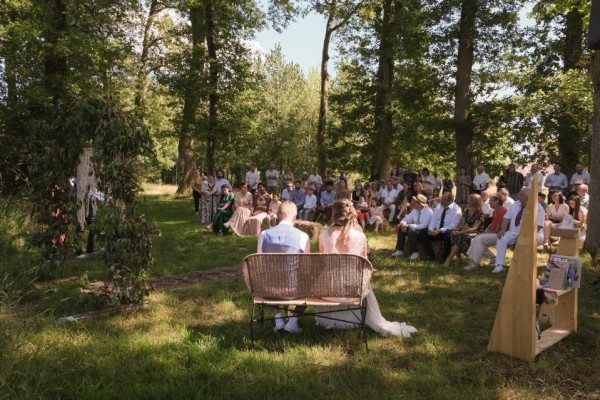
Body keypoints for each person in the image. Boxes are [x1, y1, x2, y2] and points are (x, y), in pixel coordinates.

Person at [314, 199, 417, 337]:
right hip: (353, 290)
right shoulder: (360, 236)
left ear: (334, 214)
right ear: (352, 214)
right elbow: (364, 265)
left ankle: (332, 319)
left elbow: (322, 261)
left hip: (328, 291)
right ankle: (357, 317)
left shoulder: (323, 234)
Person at [256, 201, 310, 333]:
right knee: (309, 283)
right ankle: (292, 321)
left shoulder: (264, 234)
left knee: (266, 278)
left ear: (278, 215)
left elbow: (258, 263)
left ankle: (278, 318)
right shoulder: (303, 236)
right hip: (294, 290)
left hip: (268, 290)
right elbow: (307, 267)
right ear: (295, 217)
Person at [492, 187, 545, 273]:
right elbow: (506, 218)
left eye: (522, 194)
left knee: (527, 241)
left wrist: (526, 234)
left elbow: (539, 226)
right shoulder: (516, 204)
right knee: (501, 238)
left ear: (529, 196)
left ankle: (523, 266)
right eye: (519, 194)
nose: (519, 196)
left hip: (533, 234)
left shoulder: (538, 208)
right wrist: (502, 230)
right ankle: (499, 265)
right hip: (514, 232)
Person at [465, 194, 508, 270]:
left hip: (501, 235)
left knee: (479, 238)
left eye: (491, 200)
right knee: (473, 240)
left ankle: (474, 264)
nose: (489, 202)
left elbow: (497, 230)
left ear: (497, 201)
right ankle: (493, 258)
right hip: (495, 233)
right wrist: (487, 231)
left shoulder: (503, 211)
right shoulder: (495, 212)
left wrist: (485, 233)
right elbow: (493, 227)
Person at [443, 194, 485, 267]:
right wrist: (456, 229)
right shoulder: (466, 211)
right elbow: (461, 225)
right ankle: (458, 258)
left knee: (460, 236)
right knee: (453, 235)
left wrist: (460, 232)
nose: (468, 201)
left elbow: (475, 228)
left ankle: (449, 259)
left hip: (476, 233)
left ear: (475, 202)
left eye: (470, 200)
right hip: (467, 231)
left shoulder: (480, 213)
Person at [419, 192, 462, 261]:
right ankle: (430, 256)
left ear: (450, 200)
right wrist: (430, 229)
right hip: (436, 229)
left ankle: (444, 258)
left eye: (443, 199)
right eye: (441, 198)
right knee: (423, 232)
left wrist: (440, 230)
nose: (440, 200)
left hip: (446, 231)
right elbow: (434, 218)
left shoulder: (457, 210)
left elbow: (453, 225)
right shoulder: (439, 206)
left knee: (447, 234)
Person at [391, 194, 433, 259]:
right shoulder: (415, 210)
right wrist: (403, 225)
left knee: (411, 231)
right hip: (416, 230)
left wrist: (408, 225)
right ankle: (400, 250)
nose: (413, 204)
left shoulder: (428, 212)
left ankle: (415, 253)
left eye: (415, 203)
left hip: (424, 233)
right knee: (401, 228)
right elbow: (405, 220)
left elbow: (423, 226)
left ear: (419, 204)